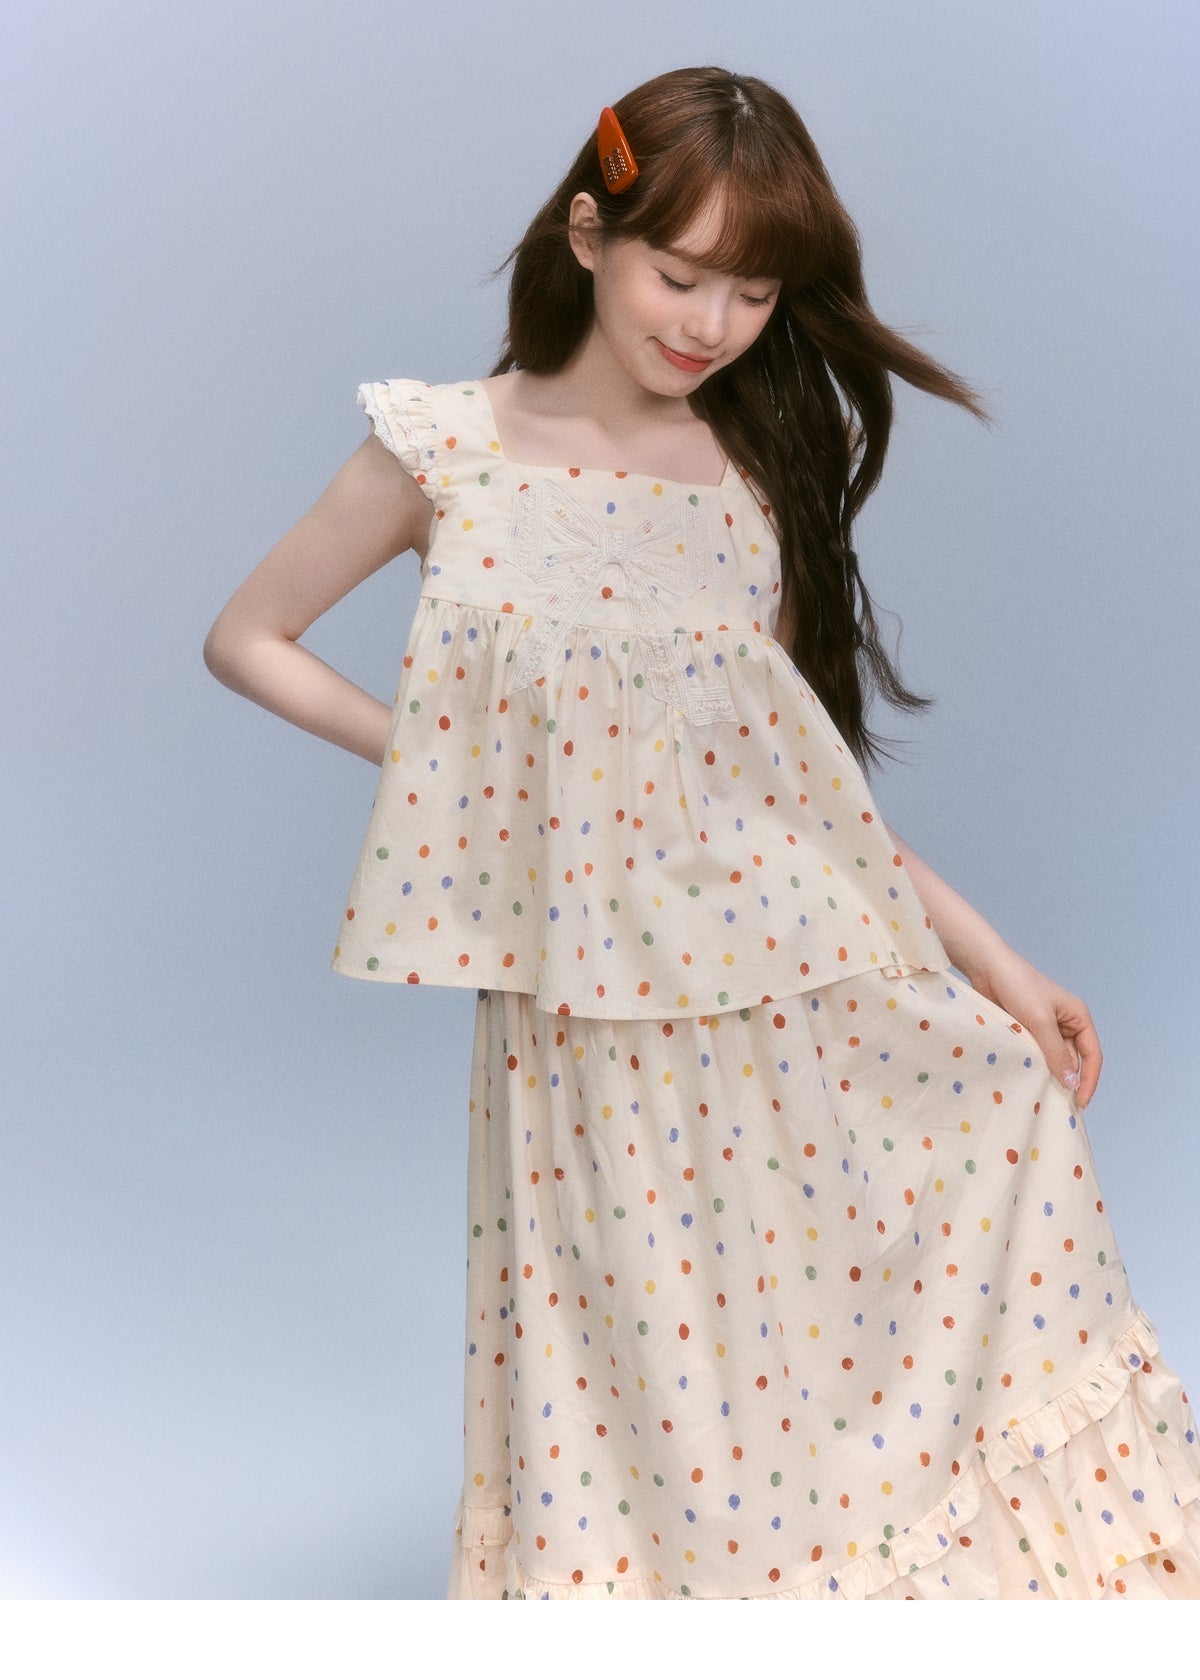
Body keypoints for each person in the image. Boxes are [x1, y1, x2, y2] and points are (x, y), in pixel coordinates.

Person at [204, 66, 1200, 1600]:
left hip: (799, 979)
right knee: (649, 1369)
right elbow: (247, 638)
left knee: (830, 1321)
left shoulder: (751, 479)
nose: (713, 323)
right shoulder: (442, 450)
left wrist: (999, 964)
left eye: (754, 291)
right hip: (592, 1012)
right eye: (681, 275)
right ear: (589, 235)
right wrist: (456, 765)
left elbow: (806, 800)